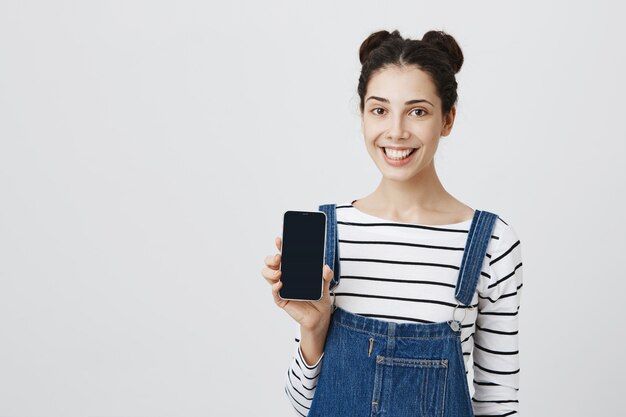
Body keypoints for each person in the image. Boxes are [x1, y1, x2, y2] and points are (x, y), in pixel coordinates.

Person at [261, 29, 523, 417]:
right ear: (363, 115)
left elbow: (498, 401)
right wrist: (313, 329)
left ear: (447, 119)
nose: (396, 131)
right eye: (379, 110)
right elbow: (303, 405)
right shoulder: (331, 232)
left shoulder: (492, 243)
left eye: (418, 111)